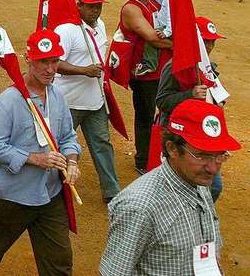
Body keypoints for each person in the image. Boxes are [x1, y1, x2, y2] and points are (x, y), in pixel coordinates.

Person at [0, 29, 81, 276]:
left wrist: (72, 161)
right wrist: (34, 158)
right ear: (28, 59)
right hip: (14, 198)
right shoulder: (9, 101)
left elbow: (69, 138)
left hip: (51, 195)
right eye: (43, 61)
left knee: (59, 263)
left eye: (54, 61)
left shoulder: (57, 96)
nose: (50, 69)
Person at [100, 99, 240, 276]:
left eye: (220, 155)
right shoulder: (139, 208)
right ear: (172, 149)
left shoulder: (197, 179)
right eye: (202, 155)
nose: (213, 168)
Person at [54, 0, 121, 203]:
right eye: (91, 7)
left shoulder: (100, 25)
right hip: (68, 102)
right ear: (79, 5)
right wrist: (84, 71)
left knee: (102, 144)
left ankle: (112, 192)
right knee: (61, 147)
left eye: (99, 6)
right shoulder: (66, 30)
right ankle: (55, 191)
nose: (95, 11)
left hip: (95, 100)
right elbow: (55, 63)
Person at [155, 16, 227, 201]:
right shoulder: (174, 67)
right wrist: (190, 95)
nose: (209, 47)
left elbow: (214, 98)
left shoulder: (208, 68)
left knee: (212, 186)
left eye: (212, 42)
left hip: (201, 136)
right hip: (178, 137)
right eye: (205, 41)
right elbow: (162, 101)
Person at [117, 0, 172, 174]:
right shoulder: (131, 8)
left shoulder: (152, 1)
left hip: (162, 69)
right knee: (145, 116)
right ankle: (142, 161)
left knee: (164, 113)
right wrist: (181, 45)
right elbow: (153, 39)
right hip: (145, 73)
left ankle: (157, 156)